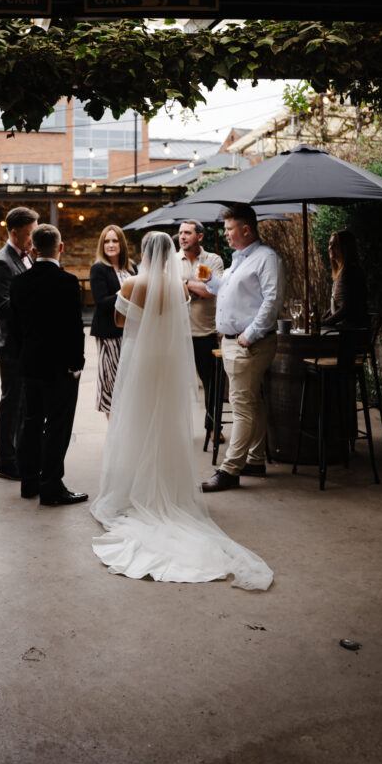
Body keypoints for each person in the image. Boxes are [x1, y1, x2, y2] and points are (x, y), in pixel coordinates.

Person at [90, 231, 273, 588]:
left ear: (144, 252)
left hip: (141, 362)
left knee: (137, 423)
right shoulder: (178, 288)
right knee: (166, 425)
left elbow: (120, 323)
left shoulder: (130, 285)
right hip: (168, 363)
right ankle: (169, 492)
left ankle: (135, 492)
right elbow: (177, 325)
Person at [201, 204, 285, 491]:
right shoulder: (239, 258)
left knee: (241, 406)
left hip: (249, 343)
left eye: (229, 230)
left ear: (246, 230)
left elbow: (272, 301)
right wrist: (212, 282)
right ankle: (256, 458)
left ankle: (230, 469)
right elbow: (228, 290)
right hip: (235, 342)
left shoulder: (266, 258)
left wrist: (250, 334)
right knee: (252, 402)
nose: (225, 235)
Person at [10, 224, 87, 507]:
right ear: (61, 248)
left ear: (32, 249)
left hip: (30, 366)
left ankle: (29, 483)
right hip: (60, 369)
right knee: (57, 426)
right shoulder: (67, 282)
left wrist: (22, 360)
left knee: (30, 423)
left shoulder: (19, 283)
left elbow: (14, 329)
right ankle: (51, 487)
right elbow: (73, 328)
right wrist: (76, 364)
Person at [0, 206, 39, 481]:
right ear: (15, 232)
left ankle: (19, 455)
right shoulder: (1, 263)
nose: (33, 239)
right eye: (30, 233)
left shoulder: (26, 258)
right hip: (11, 345)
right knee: (11, 403)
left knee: (23, 404)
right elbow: (3, 309)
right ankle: (5, 462)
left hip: (26, 344)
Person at [176, 219, 224, 436]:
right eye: (180, 233)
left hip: (205, 331)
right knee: (176, 384)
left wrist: (185, 285)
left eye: (187, 233)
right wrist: (196, 288)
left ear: (200, 237)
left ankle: (213, 427)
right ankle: (179, 429)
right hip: (177, 334)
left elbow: (212, 291)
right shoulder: (172, 260)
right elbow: (168, 290)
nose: (182, 237)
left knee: (210, 382)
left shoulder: (212, 260)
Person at [89, 225, 137, 417]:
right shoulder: (99, 268)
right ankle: (114, 436)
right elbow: (101, 303)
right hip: (109, 334)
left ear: (121, 244)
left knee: (128, 381)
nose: (110, 244)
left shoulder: (131, 268)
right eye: (107, 241)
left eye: (114, 240)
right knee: (112, 382)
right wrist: (124, 292)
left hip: (130, 333)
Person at [322, 229, 369, 329]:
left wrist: (324, 323)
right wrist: (322, 320)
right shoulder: (341, 272)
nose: (330, 247)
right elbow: (337, 305)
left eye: (335, 245)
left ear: (346, 247)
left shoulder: (349, 272)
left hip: (349, 334)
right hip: (344, 330)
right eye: (330, 244)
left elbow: (346, 308)